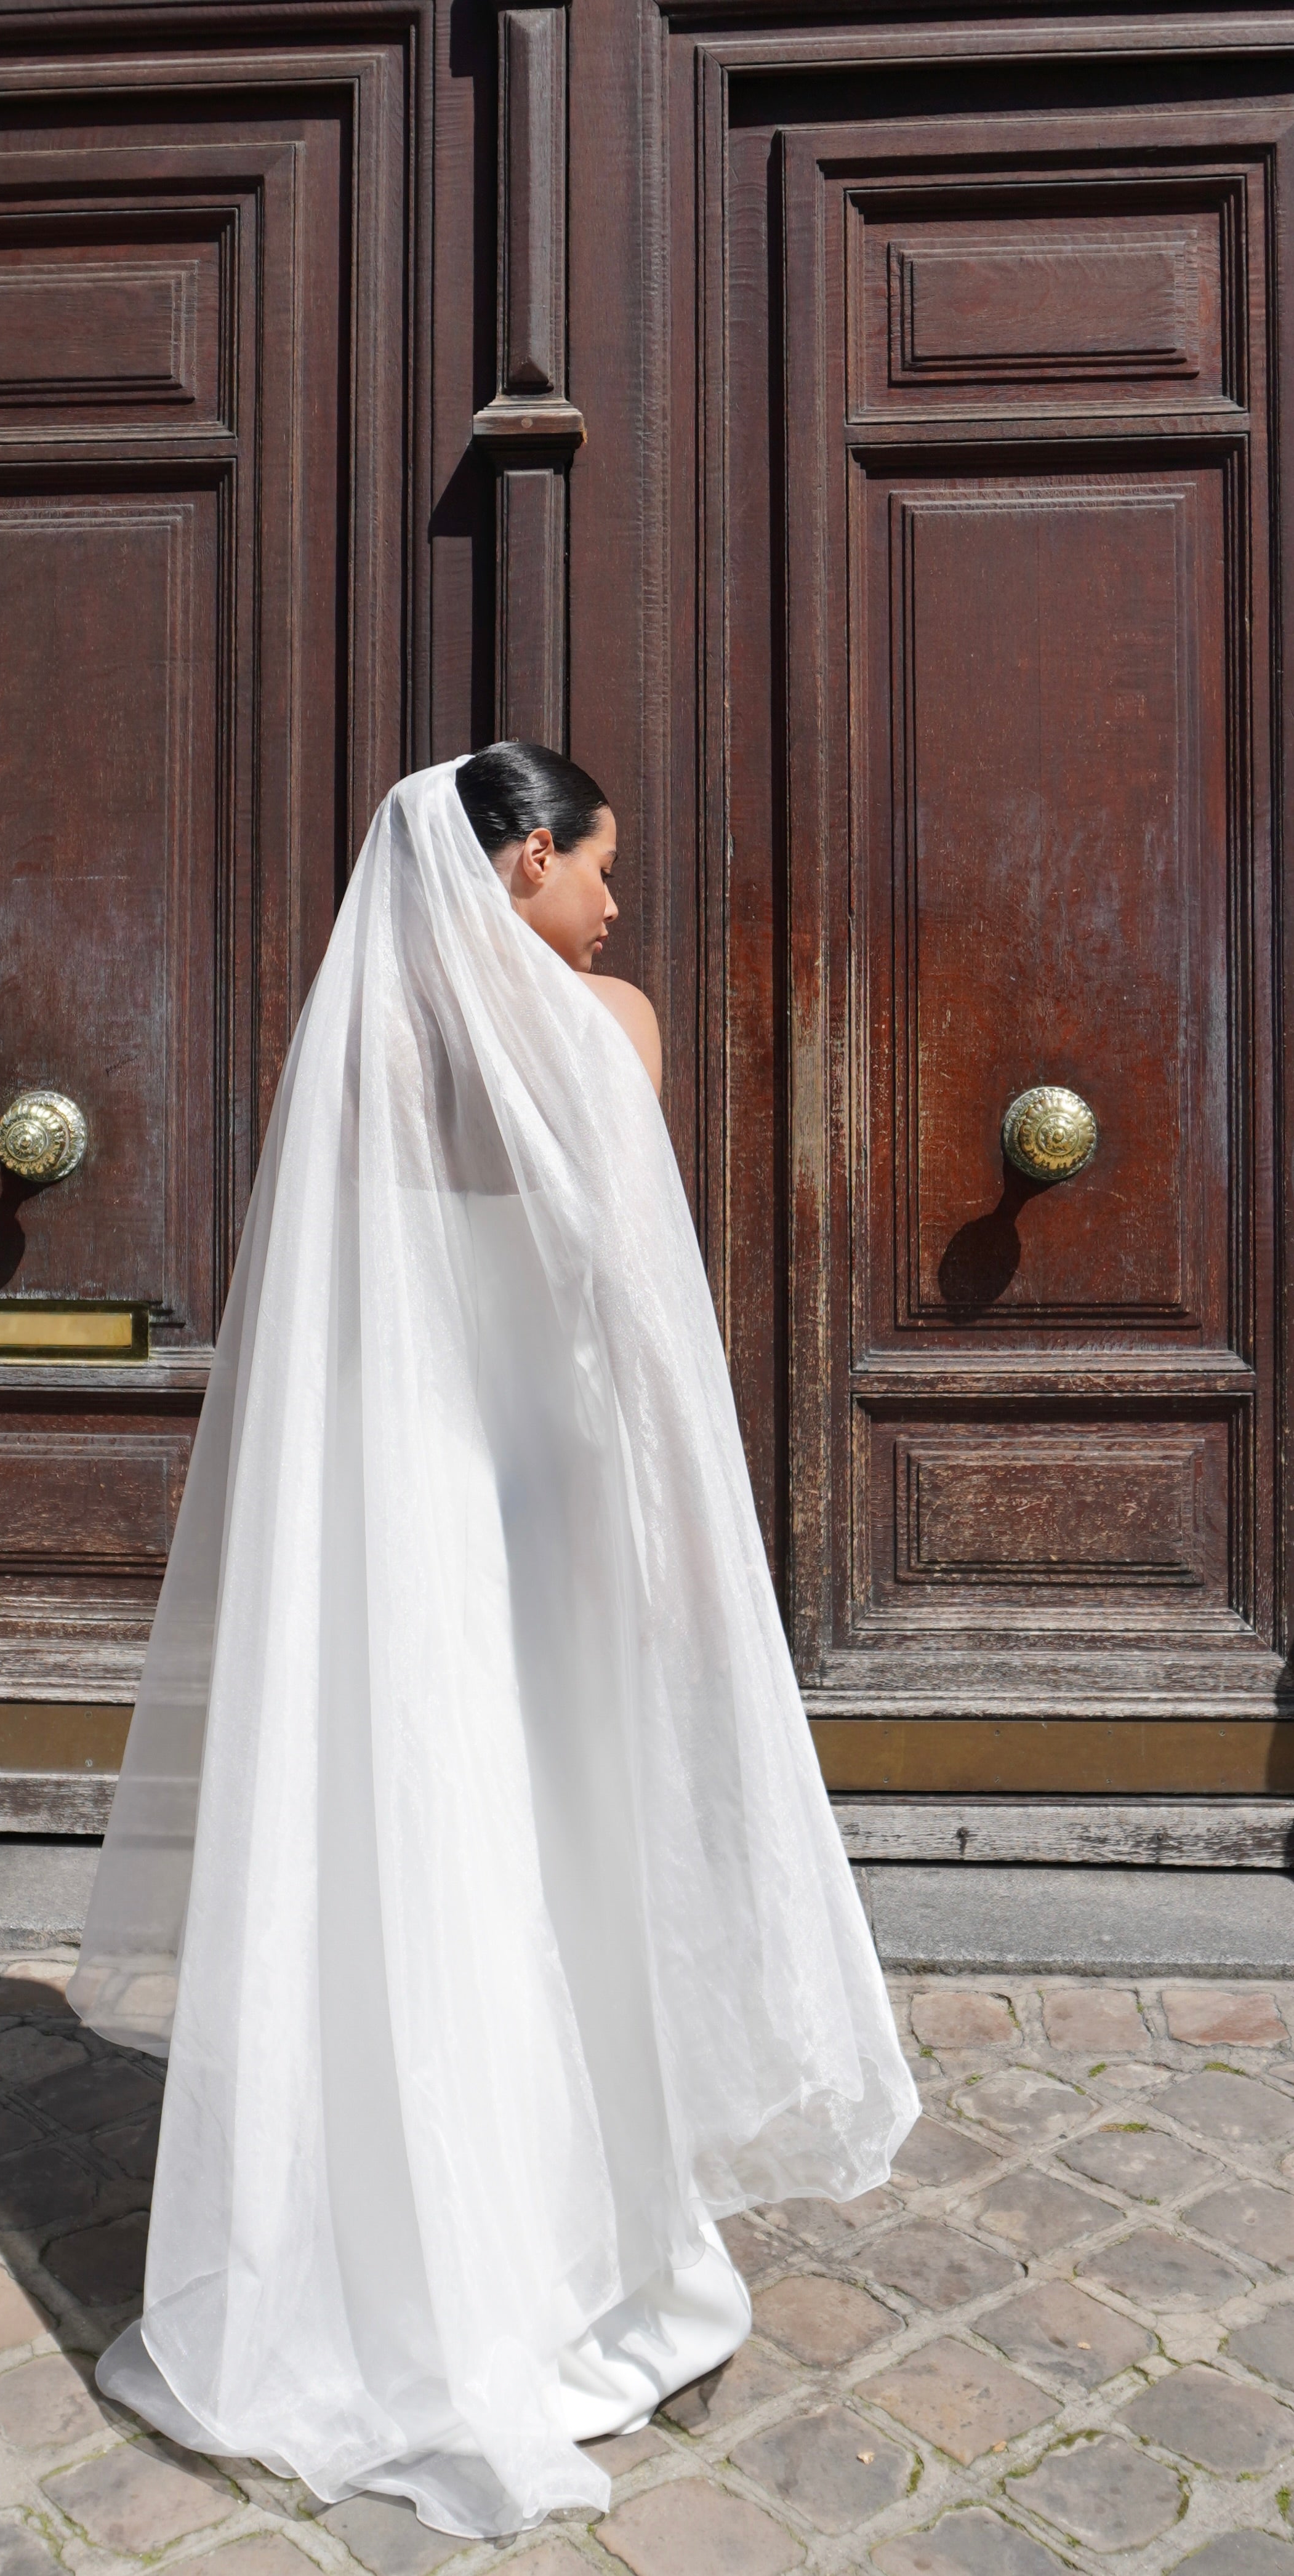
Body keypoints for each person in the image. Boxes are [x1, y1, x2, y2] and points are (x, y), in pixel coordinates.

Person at [68, 746, 919, 2540]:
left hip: (406, 1511)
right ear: (526, 856)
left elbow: (344, 1325)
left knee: (420, 1854)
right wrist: (694, 1543)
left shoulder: (361, 1046)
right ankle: (583, 2245)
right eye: (600, 865)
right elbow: (636, 1315)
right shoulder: (607, 1026)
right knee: (575, 1860)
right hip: (555, 1502)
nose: (616, 904)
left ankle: (396, 2243)